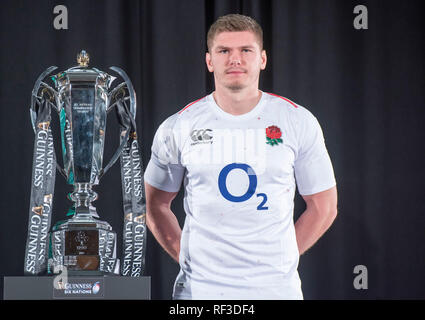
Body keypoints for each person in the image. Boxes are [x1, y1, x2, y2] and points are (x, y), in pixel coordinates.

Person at [144, 14, 337, 300]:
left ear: (262, 59)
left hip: (275, 291)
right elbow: (155, 204)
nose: (235, 59)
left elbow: (324, 206)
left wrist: (281, 260)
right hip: (200, 293)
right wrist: (186, 257)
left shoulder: (297, 121)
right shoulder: (179, 126)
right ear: (210, 61)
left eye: (245, 50)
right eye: (224, 51)